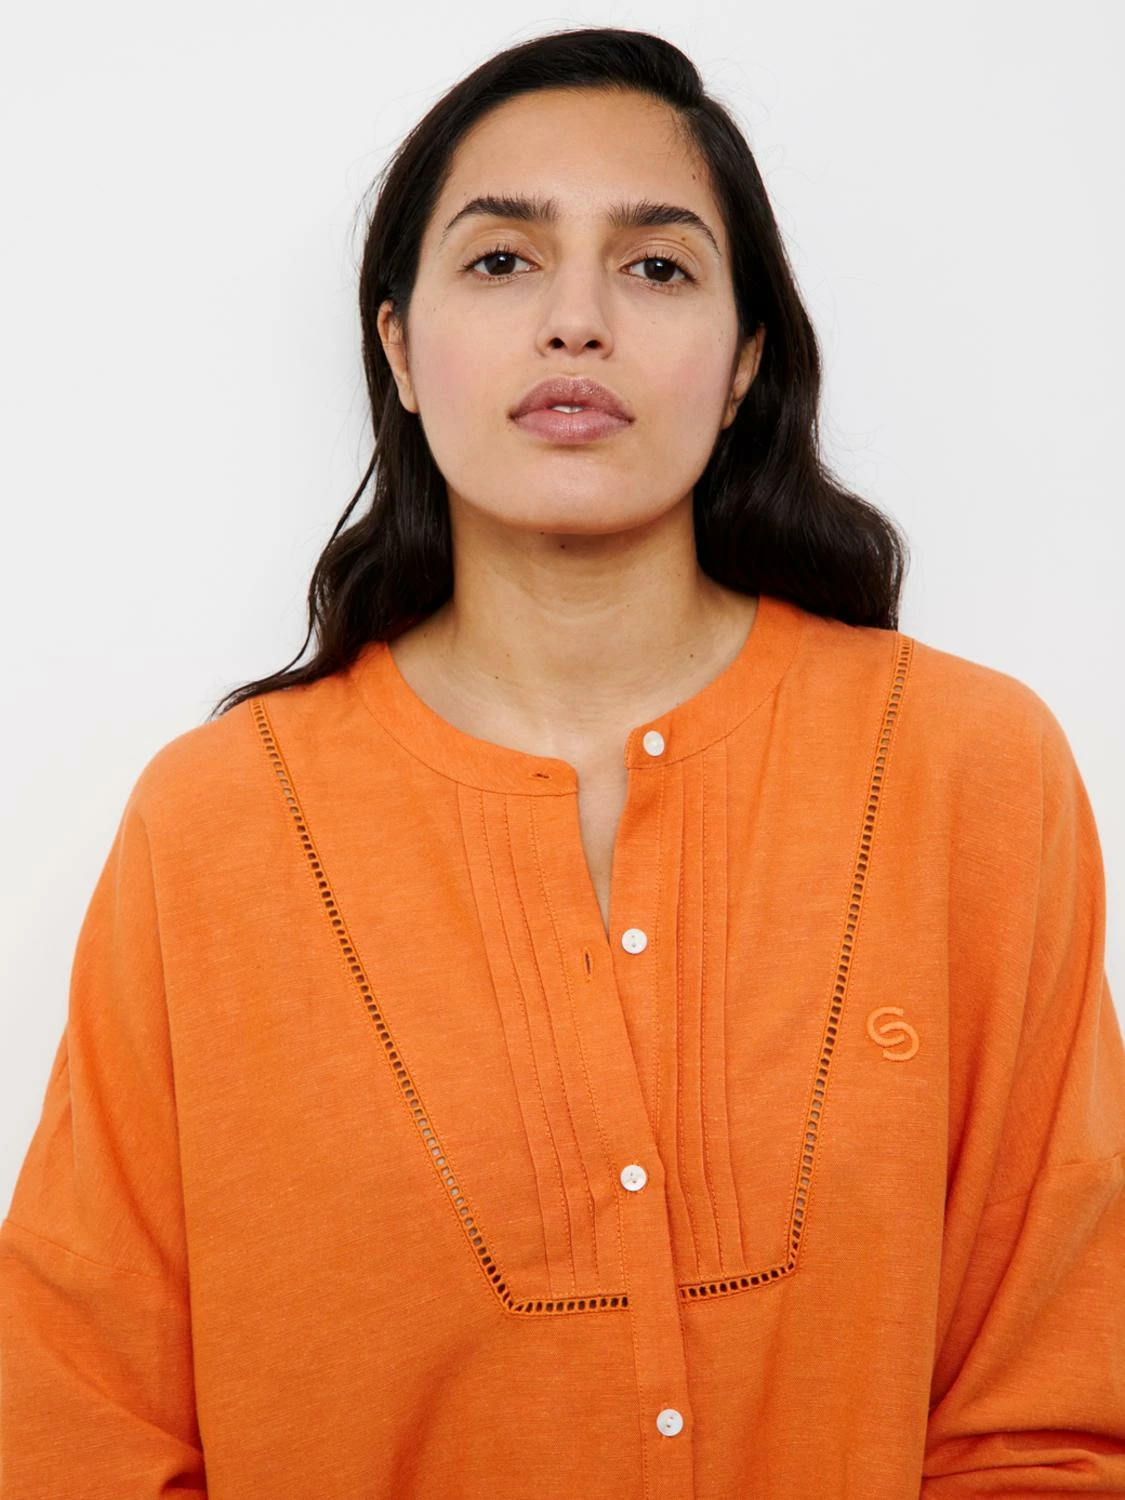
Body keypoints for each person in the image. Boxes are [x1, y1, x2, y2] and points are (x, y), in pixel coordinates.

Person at [2, 25, 1122, 1499]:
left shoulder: (968, 774)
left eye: (656, 266)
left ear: (745, 363)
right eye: (502, 260)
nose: (577, 322)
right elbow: (79, 1423)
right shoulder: (215, 828)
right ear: (399, 350)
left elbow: (1051, 1416)